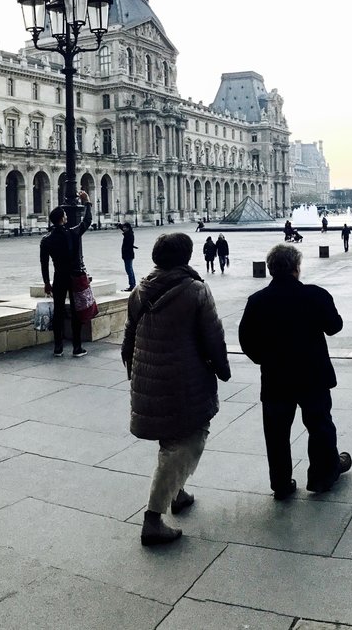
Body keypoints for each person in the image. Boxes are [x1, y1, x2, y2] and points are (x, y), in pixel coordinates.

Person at [122, 232, 230, 546]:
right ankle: (152, 519)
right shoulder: (196, 290)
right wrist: (222, 370)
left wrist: (134, 373)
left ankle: (177, 492)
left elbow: (129, 337)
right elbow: (214, 336)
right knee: (189, 439)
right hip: (183, 377)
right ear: (185, 257)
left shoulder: (140, 290)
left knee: (172, 437)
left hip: (149, 376)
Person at [239, 243, 351, 498]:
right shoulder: (315, 295)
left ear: (270, 270)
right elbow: (335, 327)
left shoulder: (256, 301)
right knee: (320, 425)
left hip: (275, 377)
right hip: (313, 375)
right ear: (296, 269)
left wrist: (264, 359)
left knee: (276, 433)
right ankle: (322, 477)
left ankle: (280, 483)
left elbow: (246, 340)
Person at [40, 193, 96, 357]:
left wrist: (46, 282)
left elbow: (44, 264)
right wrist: (87, 203)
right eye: (65, 215)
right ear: (63, 219)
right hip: (74, 277)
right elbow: (87, 221)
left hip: (59, 278)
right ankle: (77, 347)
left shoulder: (46, 240)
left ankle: (58, 347)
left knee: (58, 311)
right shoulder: (72, 233)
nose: (66, 217)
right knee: (76, 310)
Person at [119, 221, 139, 292]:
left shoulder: (129, 235)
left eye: (125, 227)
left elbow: (129, 245)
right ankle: (132, 284)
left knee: (129, 270)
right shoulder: (129, 233)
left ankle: (132, 285)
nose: (123, 229)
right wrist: (119, 224)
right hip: (128, 255)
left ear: (128, 228)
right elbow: (122, 228)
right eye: (123, 227)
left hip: (128, 255)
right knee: (130, 270)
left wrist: (125, 250)